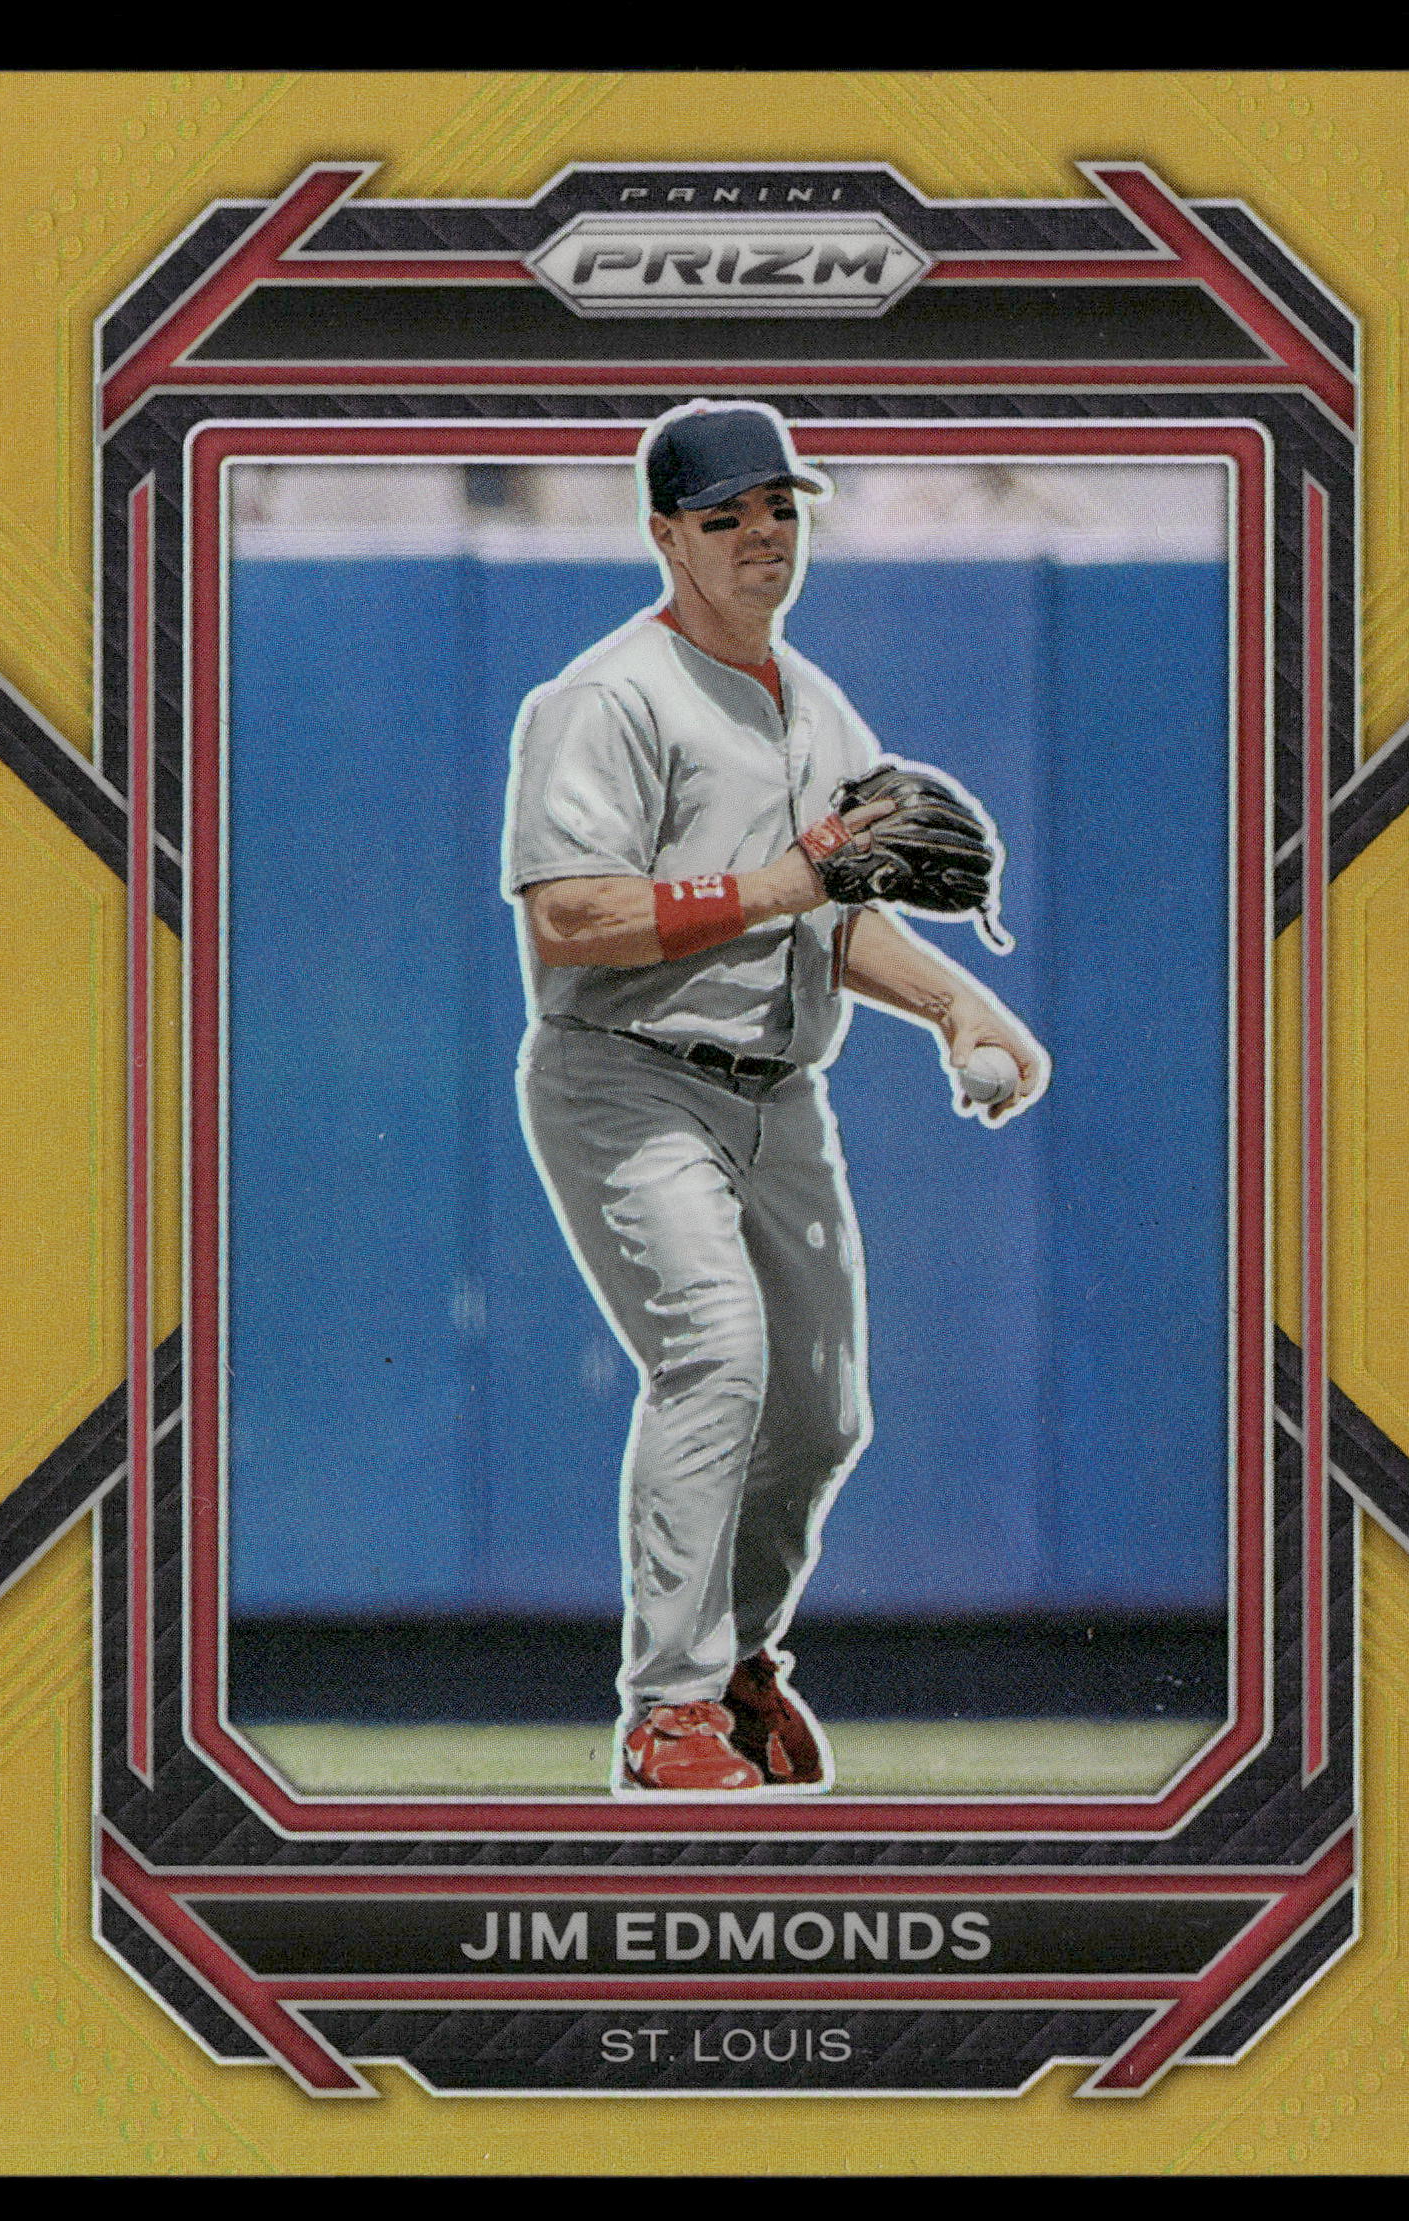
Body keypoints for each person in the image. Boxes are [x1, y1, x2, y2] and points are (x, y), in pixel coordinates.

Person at [502, 400, 1049, 1795]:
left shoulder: (818, 704)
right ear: (665, 535)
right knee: (715, 1358)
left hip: (778, 1096)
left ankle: (740, 1664)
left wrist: (957, 1005)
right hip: (624, 1077)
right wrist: (783, 880)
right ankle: (670, 1709)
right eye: (727, 514)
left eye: (781, 508)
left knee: (820, 1410)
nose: (762, 534)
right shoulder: (607, 698)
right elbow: (571, 916)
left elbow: (833, 915)